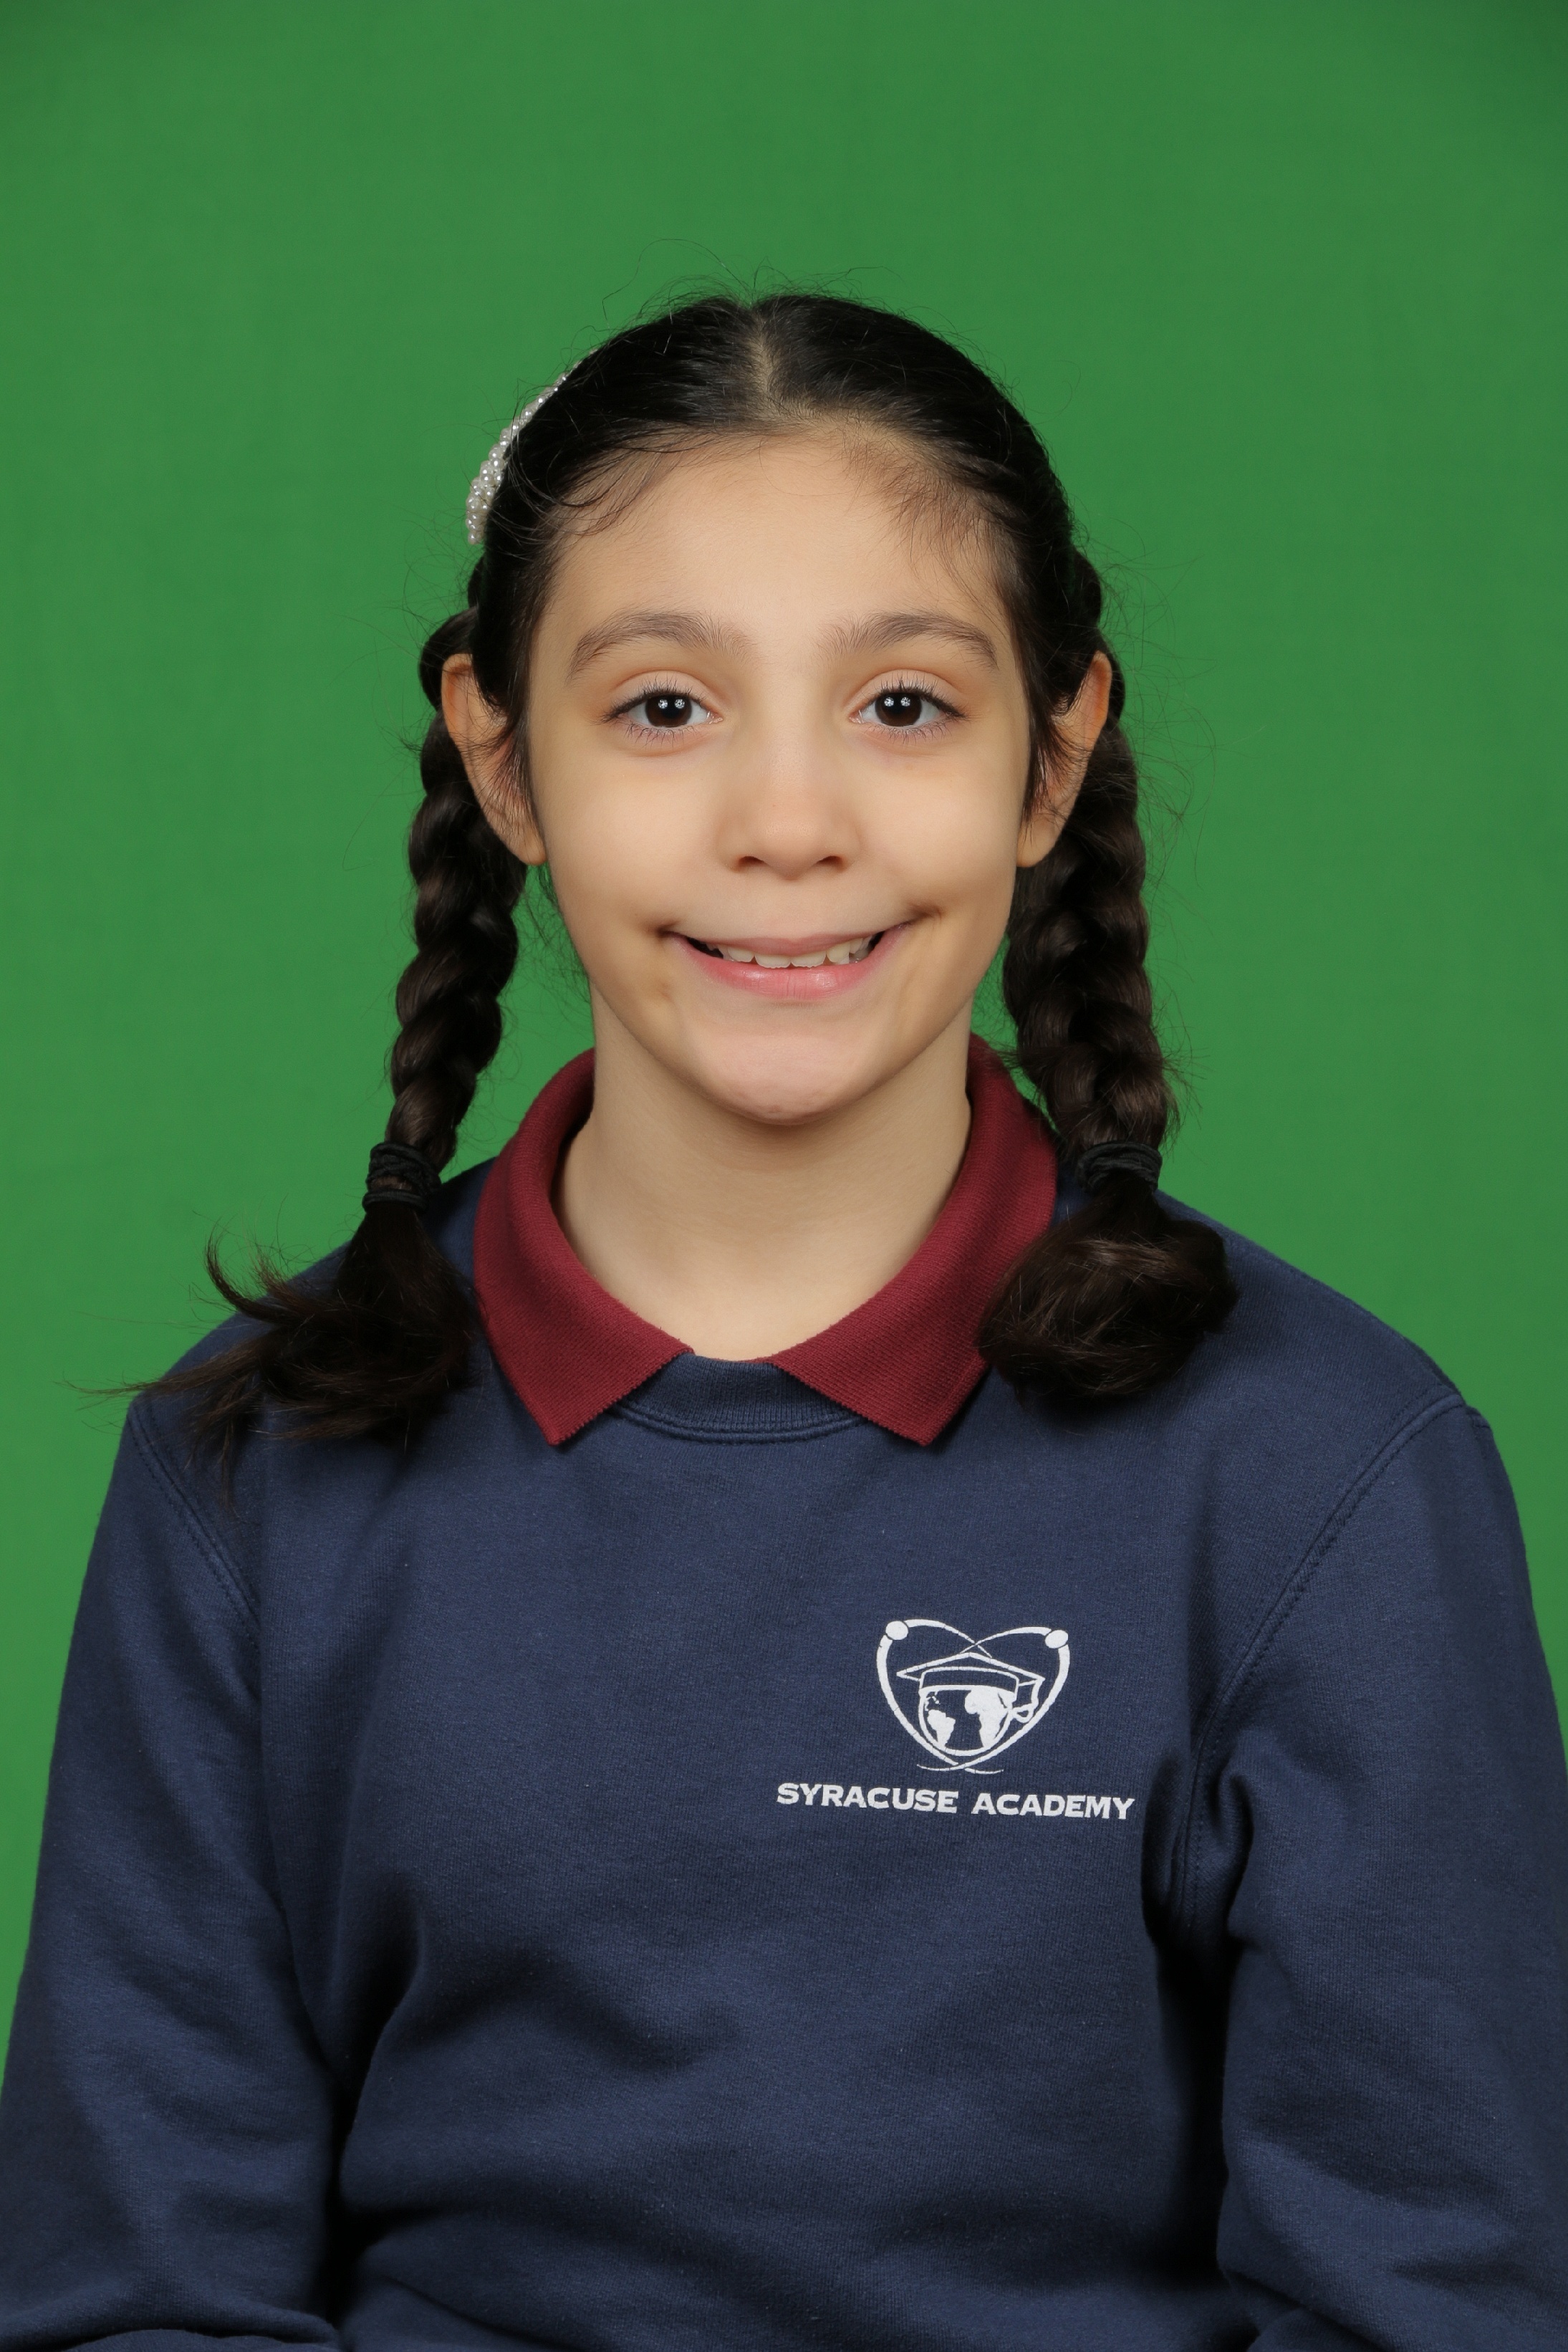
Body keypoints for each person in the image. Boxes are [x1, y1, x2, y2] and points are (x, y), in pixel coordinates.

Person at [1, 292, 1564, 2352]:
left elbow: (1433, 2301)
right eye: (665, 706)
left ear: (1054, 751)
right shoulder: (251, 1470)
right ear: (503, 756)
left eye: (903, 704)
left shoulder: (1328, 1473)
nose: (789, 820)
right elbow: (138, 2293)